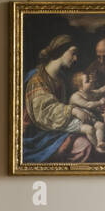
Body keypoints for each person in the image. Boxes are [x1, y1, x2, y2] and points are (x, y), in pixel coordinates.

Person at [22, 35, 96, 164]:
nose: (75, 58)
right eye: (73, 53)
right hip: (36, 135)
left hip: (55, 128)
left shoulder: (61, 78)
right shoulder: (36, 78)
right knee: (84, 145)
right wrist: (73, 110)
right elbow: (45, 110)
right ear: (60, 50)